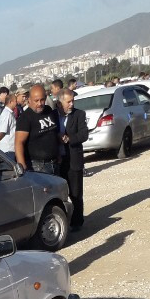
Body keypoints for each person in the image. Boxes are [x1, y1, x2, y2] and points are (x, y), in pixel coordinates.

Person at [57, 89, 89, 231]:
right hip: (58, 161)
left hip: (73, 160)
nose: (71, 104)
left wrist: (70, 139)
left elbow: (83, 135)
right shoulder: (52, 116)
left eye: (72, 101)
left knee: (76, 194)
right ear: (60, 102)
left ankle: (77, 221)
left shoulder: (79, 114)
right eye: (68, 101)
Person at [15, 84, 60, 174]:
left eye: (42, 100)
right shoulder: (25, 118)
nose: (39, 103)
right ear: (29, 100)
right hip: (37, 166)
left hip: (54, 163)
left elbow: (52, 134)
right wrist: (22, 167)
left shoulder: (48, 110)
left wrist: (58, 154)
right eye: (36, 101)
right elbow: (18, 143)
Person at [0, 91, 18, 159]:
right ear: (10, 102)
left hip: (11, 148)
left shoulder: (10, 113)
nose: (17, 103)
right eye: (15, 101)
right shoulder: (6, 114)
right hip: (8, 149)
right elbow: (3, 130)